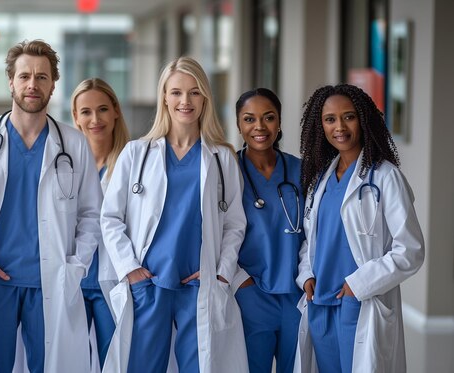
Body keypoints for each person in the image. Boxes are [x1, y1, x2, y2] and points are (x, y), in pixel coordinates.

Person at [0, 39, 102, 373]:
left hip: (49, 281)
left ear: (53, 84)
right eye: (24, 76)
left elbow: (92, 213)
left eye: (42, 77)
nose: (32, 84)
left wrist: (75, 265)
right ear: (11, 81)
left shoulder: (72, 143)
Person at [100, 56, 248, 373]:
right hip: (149, 281)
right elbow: (110, 218)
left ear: (205, 97)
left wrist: (221, 272)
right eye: (177, 92)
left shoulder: (222, 157)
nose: (185, 101)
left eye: (194, 92)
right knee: (142, 367)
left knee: (200, 366)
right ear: (164, 97)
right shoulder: (137, 153)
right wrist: (130, 269)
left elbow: (235, 223)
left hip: (200, 283)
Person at [295, 84, 424, 372]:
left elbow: (410, 250)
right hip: (320, 303)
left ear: (363, 120)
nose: (339, 126)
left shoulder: (386, 177)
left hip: (359, 302)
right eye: (330, 119)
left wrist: (359, 284)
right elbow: (312, 239)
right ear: (321, 126)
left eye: (348, 117)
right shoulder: (320, 180)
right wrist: (306, 275)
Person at [232, 88, 304, 373]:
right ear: (239, 124)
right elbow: (213, 232)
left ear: (280, 122)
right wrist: (241, 283)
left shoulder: (302, 170)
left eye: (269, 118)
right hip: (250, 296)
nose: (259, 127)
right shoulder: (228, 172)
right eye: (249, 119)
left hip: (297, 294)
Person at [71, 77, 130, 370]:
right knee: (72, 360)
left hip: (113, 279)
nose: (95, 119)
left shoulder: (131, 162)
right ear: (75, 117)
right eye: (86, 111)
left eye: (103, 109)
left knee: (114, 360)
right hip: (75, 280)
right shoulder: (65, 163)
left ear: (116, 111)